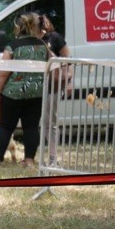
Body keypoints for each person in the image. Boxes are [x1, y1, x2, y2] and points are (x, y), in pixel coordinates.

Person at [0, 12, 52, 166]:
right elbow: (52, 62)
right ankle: (30, 160)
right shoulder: (43, 46)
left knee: (5, 126)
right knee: (31, 127)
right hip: (36, 92)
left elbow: (4, 73)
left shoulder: (12, 46)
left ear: (19, 27)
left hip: (13, 93)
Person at [40, 13, 71, 165]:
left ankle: (52, 157)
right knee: (43, 122)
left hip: (53, 86)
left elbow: (67, 59)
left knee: (50, 121)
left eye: (44, 20)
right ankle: (40, 157)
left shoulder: (55, 38)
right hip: (36, 87)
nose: (43, 23)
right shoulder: (30, 39)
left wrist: (69, 81)